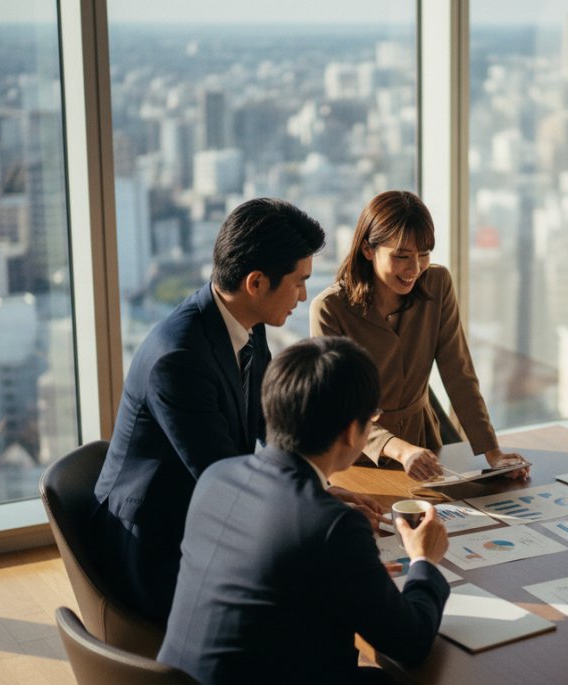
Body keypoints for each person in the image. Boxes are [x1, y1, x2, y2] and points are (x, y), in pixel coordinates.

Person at [90, 198, 380, 622]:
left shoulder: (248, 321)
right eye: (298, 282)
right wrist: (312, 504)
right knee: (312, 598)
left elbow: (268, 425)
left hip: (201, 509)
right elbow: (223, 475)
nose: (303, 295)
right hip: (154, 543)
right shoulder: (179, 358)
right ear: (257, 282)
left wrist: (314, 487)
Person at [159, 337, 451, 684]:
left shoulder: (216, 477)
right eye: (372, 418)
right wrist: (423, 561)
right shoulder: (331, 525)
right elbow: (411, 642)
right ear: (350, 433)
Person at [310, 190, 527, 481]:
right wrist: (401, 451)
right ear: (368, 250)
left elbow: (459, 374)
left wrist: (493, 452)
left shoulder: (437, 284)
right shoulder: (329, 308)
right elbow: (338, 405)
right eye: (401, 256)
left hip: (425, 447)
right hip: (356, 456)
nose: (414, 269)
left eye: (423, 254)